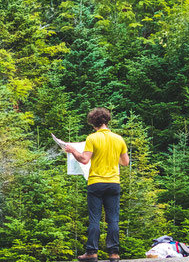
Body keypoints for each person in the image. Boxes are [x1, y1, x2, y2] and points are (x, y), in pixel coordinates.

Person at [65, 107, 129, 262]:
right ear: (107, 120)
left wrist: (72, 150)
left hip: (96, 183)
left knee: (95, 219)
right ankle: (114, 253)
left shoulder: (92, 138)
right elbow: (125, 162)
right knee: (113, 219)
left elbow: (84, 159)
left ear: (93, 123)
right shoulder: (119, 139)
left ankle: (92, 252)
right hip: (114, 183)